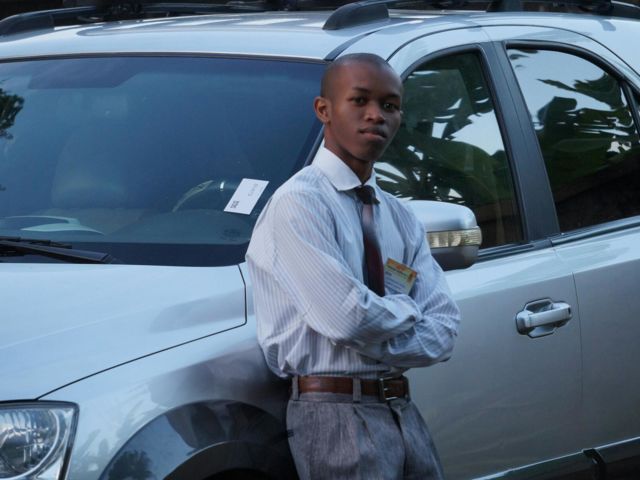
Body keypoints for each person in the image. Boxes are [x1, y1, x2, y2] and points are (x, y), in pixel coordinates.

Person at [246, 53, 460, 480]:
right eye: (359, 100)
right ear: (323, 109)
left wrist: (371, 329)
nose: (376, 115)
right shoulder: (300, 204)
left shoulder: (400, 216)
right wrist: (408, 309)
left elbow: (444, 332)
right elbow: (347, 318)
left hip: (402, 409)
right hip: (334, 414)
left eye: (390, 105)